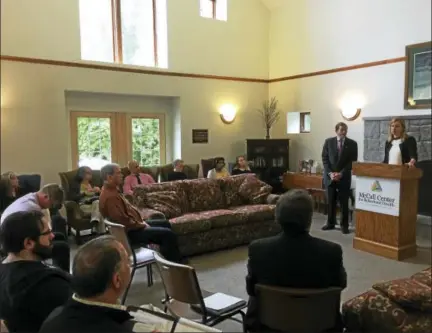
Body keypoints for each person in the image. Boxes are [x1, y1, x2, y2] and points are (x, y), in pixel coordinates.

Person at [245, 189, 347, 332]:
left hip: (269, 327)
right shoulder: (332, 252)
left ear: (277, 218)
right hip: (319, 326)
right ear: (309, 220)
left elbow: (251, 289)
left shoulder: (258, 249)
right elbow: (341, 284)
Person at [39, 236, 136, 333]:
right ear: (117, 280)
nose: (130, 263)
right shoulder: (117, 329)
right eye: (127, 261)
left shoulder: (54, 316)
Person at [0, 211, 72, 332]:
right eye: (47, 232)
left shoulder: (4, 271)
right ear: (28, 243)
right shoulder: (48, 285)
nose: (52, 236)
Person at [99, 164, 184, 263]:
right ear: (109, 177)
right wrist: (141, 225)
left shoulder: (112, 190)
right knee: (168, 234)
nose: (122, 175)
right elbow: (122, 220)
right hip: (130, 232)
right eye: (118, 173)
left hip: (133, 226)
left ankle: (166, 257)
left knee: (165, 223)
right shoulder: (110, 197)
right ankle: (174, 265)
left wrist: (141, 222)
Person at [1, 184, 71, 272]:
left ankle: (57, 269)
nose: (50, 207)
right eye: (52, 205)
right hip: (17, 245)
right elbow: (33, 235)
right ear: (46, 197)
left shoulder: (31, 197)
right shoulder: (31, 209)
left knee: (59, 236)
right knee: (62, 248)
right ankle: (61, 276)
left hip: (19, 236)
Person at [321, 122, 358, 234]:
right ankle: (330, 223)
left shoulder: (352, 144)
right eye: (341, 130)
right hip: (330, 177)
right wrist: (330, 173)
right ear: (336, 130)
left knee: (344, 203)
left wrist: (341, 173)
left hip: (344, 177)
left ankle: (344, 226)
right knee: (331, 201)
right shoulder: (328, 142)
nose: (343, 132)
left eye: (345, 130)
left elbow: (352, 162)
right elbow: (325, 159)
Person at [70, 166, 104, 233]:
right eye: (88, 173)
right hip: (83, 205)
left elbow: (96, 196)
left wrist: (99, 191)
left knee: (98, 203)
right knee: (100, 209)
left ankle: (95, 222)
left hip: (93, 204)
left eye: (91, 173)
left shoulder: (90, 184)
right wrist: (84, 193)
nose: (90, 175)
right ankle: (101, 232)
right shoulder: (76, 184)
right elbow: (72, 197)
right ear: (81, 173)